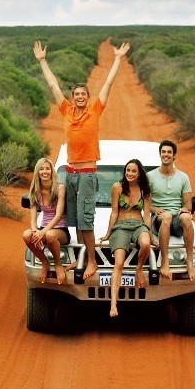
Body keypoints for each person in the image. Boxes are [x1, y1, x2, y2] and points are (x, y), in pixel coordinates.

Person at [33, 39, 130, 280]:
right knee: (74, 220)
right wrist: (43, 61)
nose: (79, 97)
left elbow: (108, 83)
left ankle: (92, 261)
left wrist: (117, 59)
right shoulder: (66, 110)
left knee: (86, 221)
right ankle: (81, 257)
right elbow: (53, 85)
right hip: (69, 174)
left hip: (86, 174)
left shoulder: (95, 110)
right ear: (72, 97)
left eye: (83, 94)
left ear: (88, 97)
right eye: (75, 94)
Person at [98, 159, 152, 317]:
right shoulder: (118, 187)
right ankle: (113, 304)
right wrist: (108, 233)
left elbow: (147, 215)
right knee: (119, 263)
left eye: (133, 171)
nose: (130, 173)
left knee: (146, 244)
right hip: (121, 226)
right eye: (128, 170)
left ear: (139, 173)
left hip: (138, 225)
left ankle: (139, 270)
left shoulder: (145, 189)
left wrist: (150, 233)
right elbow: (114, 211)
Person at [148, 138, 195, 280]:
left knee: (187, 217)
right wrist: (154, 209)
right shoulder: (150, 176)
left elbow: (188, 204)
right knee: (167, 216)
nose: (166, 154)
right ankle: (164, 261)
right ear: (160, 154)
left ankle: (189, 260)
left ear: (174, 155)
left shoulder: (183, 177)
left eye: (169, 152)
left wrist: (185, 209)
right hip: (160, 218)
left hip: (177, 217)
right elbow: (145, 203)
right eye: (163, 152)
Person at [22, 157, 69, 284]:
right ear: (37, 172)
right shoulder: (35, 191)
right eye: (41, 169)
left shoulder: (60, 188)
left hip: (60, 229)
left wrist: (43, 233)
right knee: (26, 235)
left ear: (52, 171)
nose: (45, 172)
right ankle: (44, 262)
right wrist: (35, 231)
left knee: (49, 235)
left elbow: (58, 215)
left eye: (47, 169)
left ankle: (58, 264)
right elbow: (33, 219)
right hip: (44, 228)